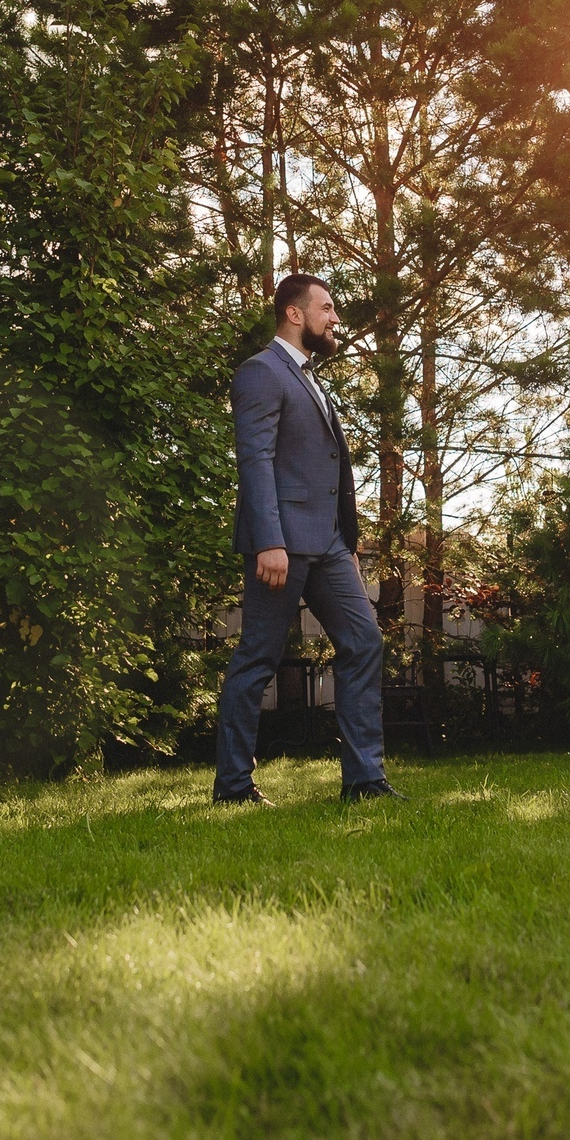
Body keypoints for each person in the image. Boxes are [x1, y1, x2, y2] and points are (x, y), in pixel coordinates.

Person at [214, 274, 401, 805]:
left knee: (364, 642)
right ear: (295, 314)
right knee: (258, 658)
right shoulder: (261, 372)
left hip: (330, 544)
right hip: (283, 545)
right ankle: (233, 787)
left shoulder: (309, 377)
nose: (335, 318)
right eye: (327, 308)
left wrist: (348, 535)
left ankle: (364, 780)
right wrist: (268, 540)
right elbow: (256, 459)